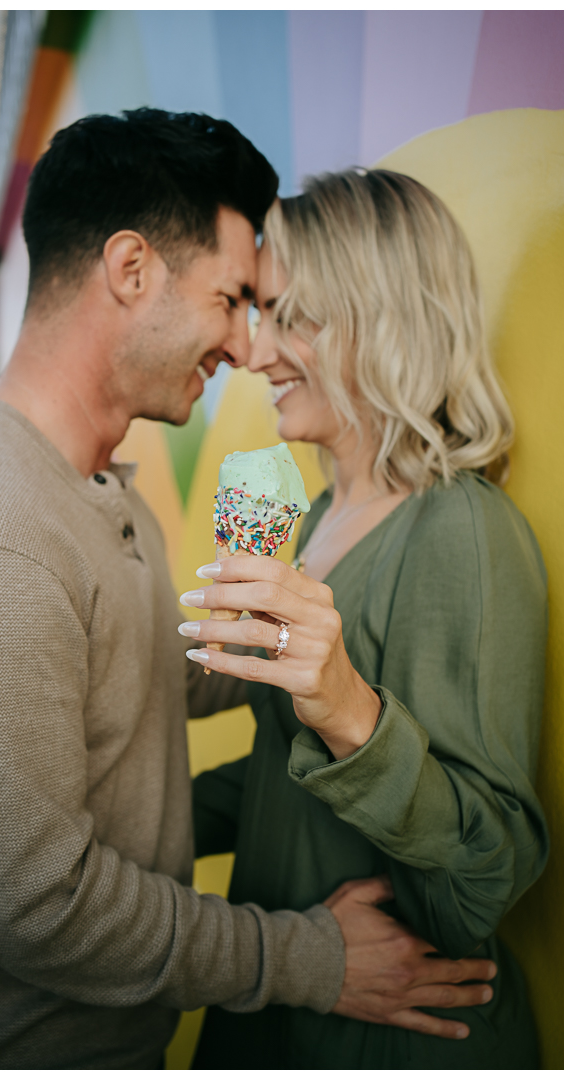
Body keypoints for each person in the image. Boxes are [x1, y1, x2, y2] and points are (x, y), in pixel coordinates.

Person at [0, 119, 496, 1071]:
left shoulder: (95, 485)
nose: (250, 346)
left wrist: (328, 640)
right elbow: (37, 906)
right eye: (235, 299)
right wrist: (305, 959)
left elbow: (141, 675)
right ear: (130, 270)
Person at [180, 170, 549, 1069]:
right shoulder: (311, 518)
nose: (256, 352)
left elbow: (479, 885)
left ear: (381, 314)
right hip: (284, 1008)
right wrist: (116, 825)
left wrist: (349, 709)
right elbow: (282, 779)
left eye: (288, 315)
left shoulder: (463, 530)